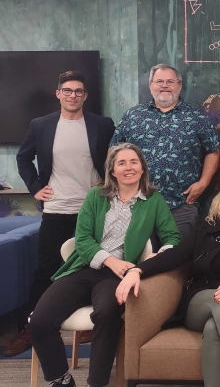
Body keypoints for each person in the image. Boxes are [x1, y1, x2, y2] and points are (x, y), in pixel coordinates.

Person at [27, 143, 182, 387]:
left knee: (107, 314)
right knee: (39, 321)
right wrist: (111, 261)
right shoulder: (95, 196)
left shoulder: (154, 200)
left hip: (117, 278)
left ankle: (96, 383)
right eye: (121, 163)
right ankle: (61, 379)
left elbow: (173, 237)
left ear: (142, 169)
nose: (128, 167)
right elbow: (83, 239)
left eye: (134, 162)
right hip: (85, 267)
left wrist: (158, 255)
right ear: (112, 171)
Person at [116, 176, 220, 387]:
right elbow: (177, 255)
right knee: (219, 298)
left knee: (214, 329)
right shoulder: (207, 227)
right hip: (203, 299)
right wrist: (137, 270)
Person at [9, 70, 115, 357]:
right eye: (67, 91)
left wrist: (106, 180)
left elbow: (115, 157)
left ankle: (94, 322)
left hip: (93, 211)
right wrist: (35, 187)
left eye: (78, 91)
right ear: (58, 94)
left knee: (95, 269)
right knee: (47, 270)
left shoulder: (102, 124)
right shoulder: (41, 125)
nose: (73, 95)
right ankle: (33, 328)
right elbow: (23, 158)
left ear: (85, 96)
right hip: (57, 210)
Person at [111, 63, 220, 247]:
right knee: (138, 257)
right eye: (159, 81)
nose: (164, 85)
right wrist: (116, 183)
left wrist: (203, 183)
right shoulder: (133, 116)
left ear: (179, 85)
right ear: (150, 85)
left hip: (182, 203)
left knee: (179, 260)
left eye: (170, 81)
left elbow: (213, 151)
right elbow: (113, 150)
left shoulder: (197, 117)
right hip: (137, 203)